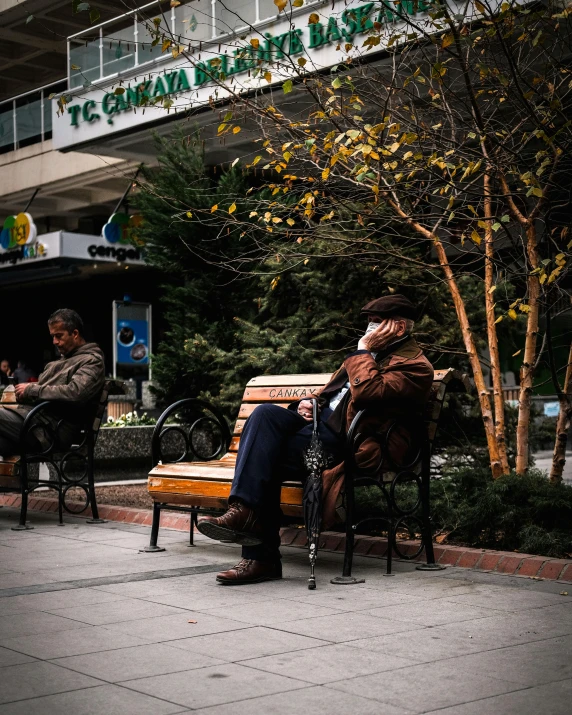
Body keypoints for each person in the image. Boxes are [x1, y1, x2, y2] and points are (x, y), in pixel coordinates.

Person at [197, 294, 434, 585]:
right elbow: (334, 394)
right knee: (263, 415)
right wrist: (308, 403)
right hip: (318, 428)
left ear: (398, 328)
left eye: (376, 323)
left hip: (349, 442)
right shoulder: (368, 356)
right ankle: (243, 513)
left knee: (266, 457)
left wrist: (362, 351)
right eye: (369, 323)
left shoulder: (415, 367)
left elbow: (367, 393)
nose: (369, 330)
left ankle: (259, 554)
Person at [0, 309, 105, 457]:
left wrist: (32, 390)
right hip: (32, 421)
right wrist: (26, 394)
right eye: (52, 336)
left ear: (75, 334)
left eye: (59, 336)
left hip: (47, 431)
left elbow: (76, 392)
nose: (54, 342)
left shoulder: (91, 361)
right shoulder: (59, 362)